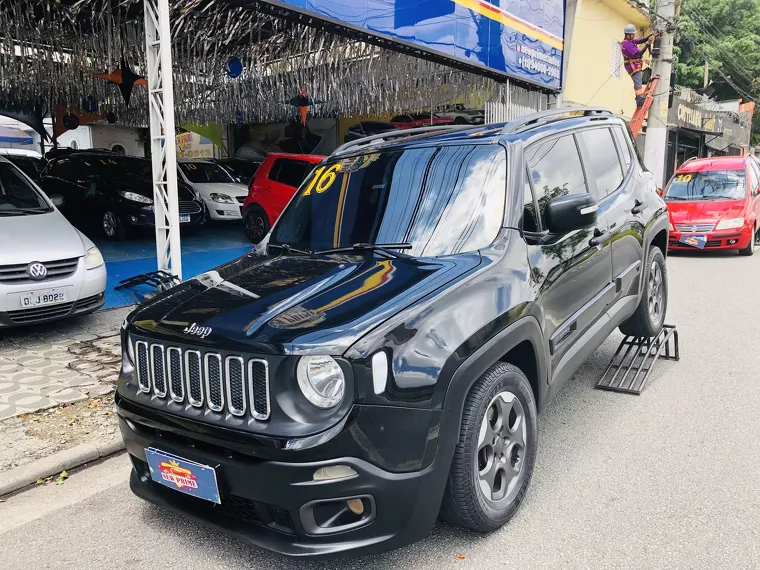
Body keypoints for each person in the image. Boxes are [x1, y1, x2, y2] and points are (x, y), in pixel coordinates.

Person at [621, 24, 654, 107]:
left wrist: (648, 37)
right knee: (638, 84)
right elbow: (638, 54)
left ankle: (640, 99)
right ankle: (640, 101)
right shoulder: (626, 45)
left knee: (638, 82)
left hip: (634, 65)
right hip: (633, 66)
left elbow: (640, 41)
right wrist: (648, 43)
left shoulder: (630, 41)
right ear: (628, 35)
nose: (634, 35)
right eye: (632, 34)